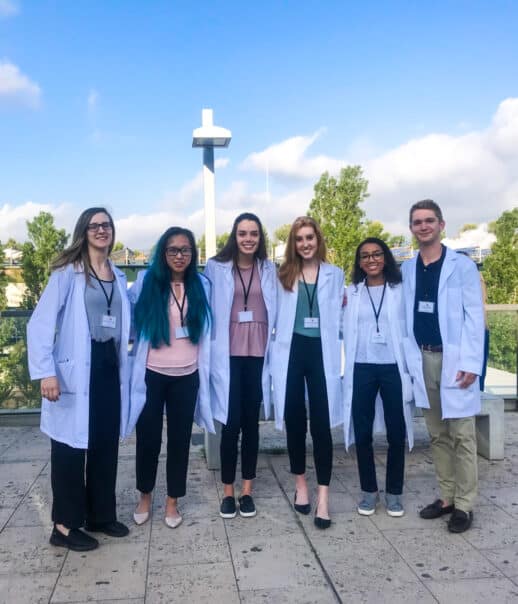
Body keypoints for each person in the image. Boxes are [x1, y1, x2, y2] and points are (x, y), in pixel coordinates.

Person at [27, 207, 131, 551]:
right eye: (94, 225)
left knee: (104, 443)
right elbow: (40, 324)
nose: (102, 230)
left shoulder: (115, 273)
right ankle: (64, 526)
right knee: (69, 449)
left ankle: (100, 515)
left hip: (107, 365)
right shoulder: (67, 273)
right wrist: (45, 372)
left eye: (107, 225)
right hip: (74, 368)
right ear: (83, 232)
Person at [401, 199, 484, 533]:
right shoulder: (408, 268)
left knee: (462, 434)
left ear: (441, 225)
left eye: (429, 221)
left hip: (454, 360)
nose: (424, 226)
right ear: (411, 228)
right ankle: (447, 497)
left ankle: (465, 504)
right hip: (422, 358)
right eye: (417, 222)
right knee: (436, 434)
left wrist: (471, 362)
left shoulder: (461, 266)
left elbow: (474, 317)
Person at [127, 227, 214, 528]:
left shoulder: (202, 284)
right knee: (148, 440)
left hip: (187, 376)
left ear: (193, 254)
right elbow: (126, 314)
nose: (179, 255)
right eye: (173, 250)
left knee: (180, 441)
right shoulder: (146, 283)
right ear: (163, 253)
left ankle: (173, 501)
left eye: (186, 250)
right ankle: (145, 496)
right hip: (152, 374)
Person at [271, 216, 344, 529]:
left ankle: (323, 496)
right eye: (299, 239)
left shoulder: (335, 274)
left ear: (318, 239)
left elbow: (339, 316)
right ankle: (301, 483)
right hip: (291, 352)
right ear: (293, 243)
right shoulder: (283, 274)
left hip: (321, 353)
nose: (305, 244)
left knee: (323, 425)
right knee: (295, 421)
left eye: (309, 238)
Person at [204, 212, 277, 519]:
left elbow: (289, 297)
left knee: (251, 424)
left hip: (258, 353)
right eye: (243, 233)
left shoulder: (269, 269)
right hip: (228, 352)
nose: (248, 239)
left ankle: (247, 491)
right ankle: (228, 491)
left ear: (260, 239)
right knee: (230, 423)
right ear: (234, 236)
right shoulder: (216, 267)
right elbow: (201, 301)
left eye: (254, 234)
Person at [343, 238, 414, 517]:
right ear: (359, 262)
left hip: (392, 367)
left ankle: (394, 492)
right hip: (362, 366)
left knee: (397, 432)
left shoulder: (400, 290)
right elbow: (339, 324)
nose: (371, 260)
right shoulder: (352, 293)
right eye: (365, 256)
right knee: (363, 432)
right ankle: (369, 491)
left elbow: (408, 327)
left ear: (385, 257)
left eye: (376, 254)